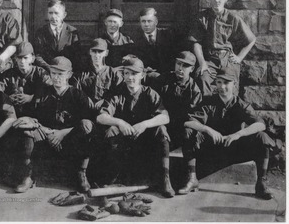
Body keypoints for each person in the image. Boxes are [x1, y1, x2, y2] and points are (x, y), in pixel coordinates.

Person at [179, 67, 275, 200]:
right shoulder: (208, 102)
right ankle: (192, 178)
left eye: (226, 83)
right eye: (219, 82)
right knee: (188, 132)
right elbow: (188, 122)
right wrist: (208, 129)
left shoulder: (241, 104)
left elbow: (260, 124)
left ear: (234, 84)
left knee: (262, 137)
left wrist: (238, 134)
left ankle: (261, 183)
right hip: (212, 148)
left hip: (235, 149)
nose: (222, 86)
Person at [12, 56, 94, 193]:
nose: (56, 77)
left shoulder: (77, 95)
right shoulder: (43, 92)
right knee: (25, 126)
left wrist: (62, 133)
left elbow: (87, 121)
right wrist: (47, 131)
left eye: (60, 74)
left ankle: (81, 173)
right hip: (46, 136)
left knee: (86, 125)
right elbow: (33, 116)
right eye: (53, 73)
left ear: (69, 75)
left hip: (69, 139)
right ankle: (28, 175)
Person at [96, 57, 175, 198]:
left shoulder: (149, 93)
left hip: (144, 141)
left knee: (161, 129)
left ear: (142, 75)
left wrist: (145, 124)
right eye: (126, 73)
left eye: (134, 74)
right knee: (110, 130)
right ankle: (114, 178)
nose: (130, 77)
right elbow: (101, 117)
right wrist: (120, 122)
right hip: (123, 141)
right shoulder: (117, 93)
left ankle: (165, 179)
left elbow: (165, 117)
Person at [188, 0, 256, 96]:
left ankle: (229, 112)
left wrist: (239, 58)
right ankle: (207, 111)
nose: (217, 0)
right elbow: (196, 42)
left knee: (230, 86)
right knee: (202, 78)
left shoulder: (233, 18)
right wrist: (202, 63)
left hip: (227, 60)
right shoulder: (201, 17)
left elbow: (251, 39)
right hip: (209, 59)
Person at [153, 51, 202, 150]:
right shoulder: (163, 80)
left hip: (181, 128)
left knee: (189, 133)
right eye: (178, 64)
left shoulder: (194, 90)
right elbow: (154, 105)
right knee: (160, 130)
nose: (180, 68)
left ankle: (189, 165)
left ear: (192, 69)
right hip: (161, 124)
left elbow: (193, 117)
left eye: (185, 66)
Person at [0, 42, 51, 117]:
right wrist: (7, 98)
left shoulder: (41, 73)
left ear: (32, 58)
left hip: (36, 116)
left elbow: (50, 92)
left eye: (25, 58)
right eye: (19, 58)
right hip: (14, 116)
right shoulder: (8, 74)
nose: (22, 61)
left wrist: (31, 98)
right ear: (16, 59)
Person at [72, 38, 123, 111]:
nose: (96, 55)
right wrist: (86, 99)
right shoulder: (81, 74)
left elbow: (118, 94)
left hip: (107, 111)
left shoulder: (114, 73)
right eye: (94, 51)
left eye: (100, 52)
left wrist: (105, 101)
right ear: (90, 52)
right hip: (86, 111)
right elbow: (76, 93)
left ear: (106, 53)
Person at [34, 0, 82, 73]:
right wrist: (49, 68)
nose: (53, 16)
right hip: (46, 72)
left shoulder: (72, 32)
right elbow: (38, 55)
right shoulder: (41, 32)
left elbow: (76, 56)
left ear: (64, 15)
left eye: (56, 13)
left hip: (67, 72)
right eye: (50, 13)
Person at [133, 7, 176, 73]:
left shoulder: (168, 35)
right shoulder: (135, 38)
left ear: (156, 22)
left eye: (149, 21)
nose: (146, 24)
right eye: (143, 21)